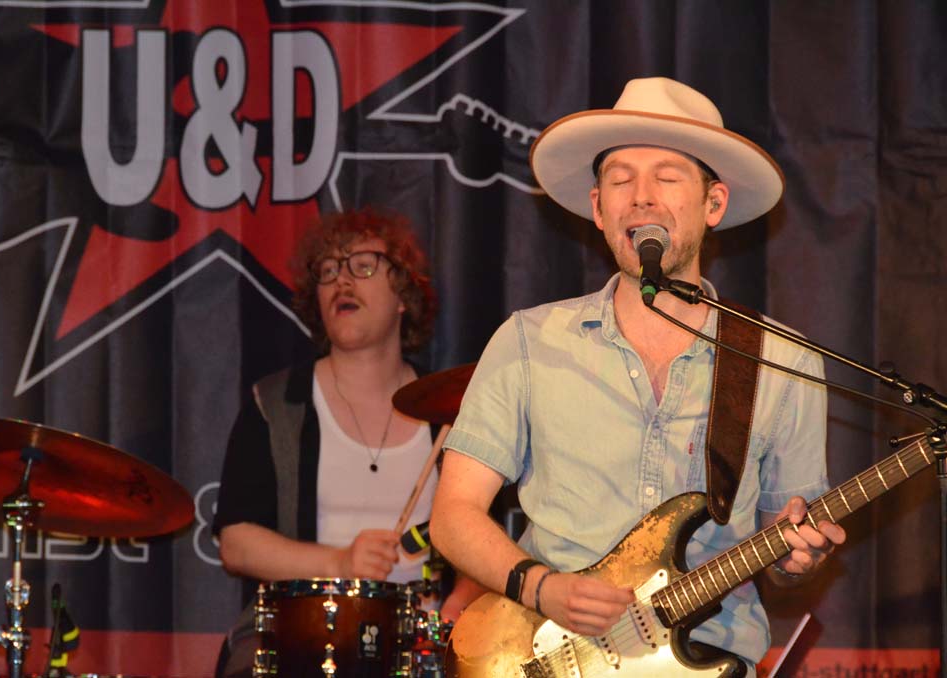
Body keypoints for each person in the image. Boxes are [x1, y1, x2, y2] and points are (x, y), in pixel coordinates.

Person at [430, 77, 847, 675]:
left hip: (712, 658)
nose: (642, 198)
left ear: (714, 204)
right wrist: (541, 587)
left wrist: (798, 556)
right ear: (599, 208)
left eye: (668, 177)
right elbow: (453, 515)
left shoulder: (784, 361)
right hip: (545, 652)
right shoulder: (529, 341)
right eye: (621, 179)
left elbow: (787, 550)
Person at [212, 208, 475, 672]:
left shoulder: (452, 413)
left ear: (404, 294)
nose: (343, 281)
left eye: (364, 266)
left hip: (418, 642)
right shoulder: (276, 404)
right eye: (329, 270)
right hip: (300, 633)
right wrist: (339, 562)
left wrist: (457, 610)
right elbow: (236, 543)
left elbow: (483, 543)